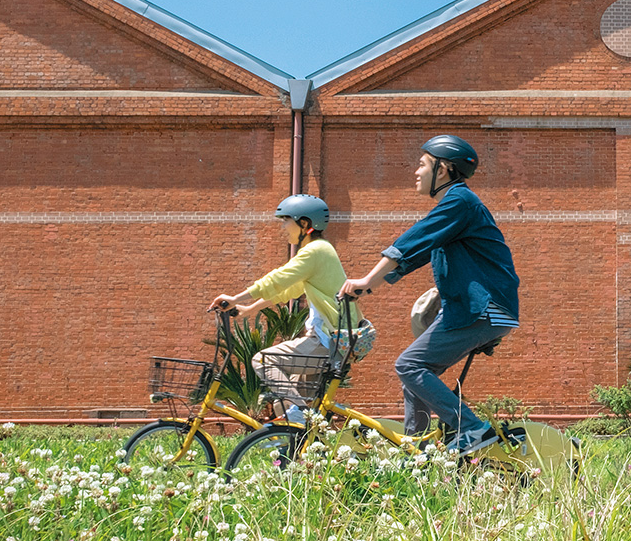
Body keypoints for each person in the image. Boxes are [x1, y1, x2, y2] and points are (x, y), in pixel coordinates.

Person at [340, 135, 519, 455]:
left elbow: (414, 239)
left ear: (444, 169)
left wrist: (366, 278)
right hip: (480, 309)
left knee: (409, 366)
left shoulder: (460, 201)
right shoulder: (456, 209)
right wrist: (369, 286)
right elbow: (418, 253)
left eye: (422, 164)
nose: (416, 172)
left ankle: (472, 429)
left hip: (484, 309)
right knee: (417, 377)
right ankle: (417, 455)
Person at [207, 194, 370, 422]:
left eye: (286, 221)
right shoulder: (320, 252)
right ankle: (306, 449)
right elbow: (287, 291)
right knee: (282, 405)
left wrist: (234, 298)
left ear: (304, 224)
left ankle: (302, 418)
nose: (283, 227)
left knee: (263, 360)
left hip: (327, 341)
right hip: (330, 342)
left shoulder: (315, 251)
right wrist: (247, 309)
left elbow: (277, 279)